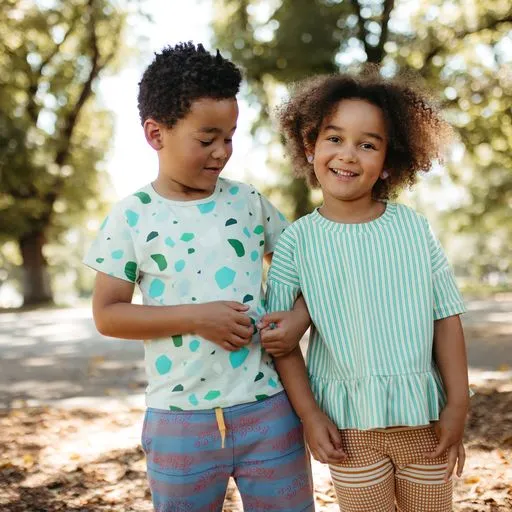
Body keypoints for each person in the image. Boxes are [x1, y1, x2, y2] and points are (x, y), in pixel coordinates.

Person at [83, 42, 314, 512]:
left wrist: (300, 319)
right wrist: (196, 318)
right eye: (206, 138)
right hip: (178, 424)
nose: (221, 152)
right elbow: (108, 315)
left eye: (229, 137)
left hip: (270, 410)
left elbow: (312, 268)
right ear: (156, 133)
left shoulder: (248, 201)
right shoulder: (130, 217)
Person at [261, 71, 471, 512]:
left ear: (389, 162)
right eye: (334, 138)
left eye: (368, 144)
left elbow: (445, 318)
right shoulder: (296, 243)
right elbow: (281, 345)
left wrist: (458, 404)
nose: (347, 155)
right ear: (309, 147)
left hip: (425, 422)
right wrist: (310, 415)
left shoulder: (413, 229)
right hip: (348, 430)